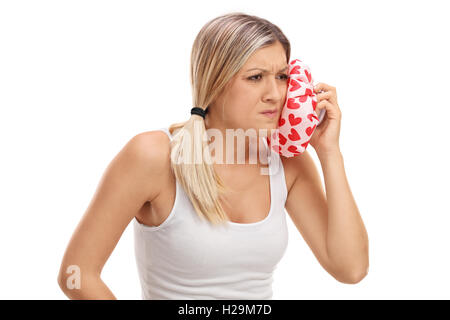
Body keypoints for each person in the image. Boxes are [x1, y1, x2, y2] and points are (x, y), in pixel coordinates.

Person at [57, 12, 369, 300]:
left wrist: (329, 152)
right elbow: (76, 274)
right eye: (256, 77)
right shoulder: (153, 156)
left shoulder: (288, 162)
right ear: (216, 82)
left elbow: (350, 269)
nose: (275, 93)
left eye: (282, 76)